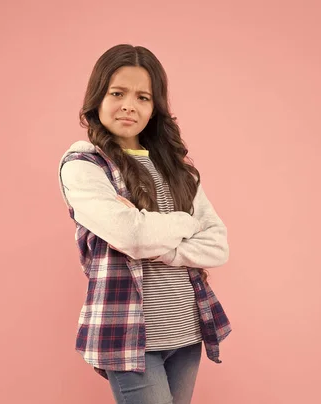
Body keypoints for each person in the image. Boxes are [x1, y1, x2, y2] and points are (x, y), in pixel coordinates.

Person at [57, 44, 232, 404]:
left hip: (186, 329)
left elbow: (218, 246)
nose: (129, 105)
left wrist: (153, 232)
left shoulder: (177, 170)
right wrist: (186, 222)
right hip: (128, 336)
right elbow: (131, 236)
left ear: (155, 108)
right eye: (117, 93)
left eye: (143, 97)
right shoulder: (85, 166)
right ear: (97, 97)